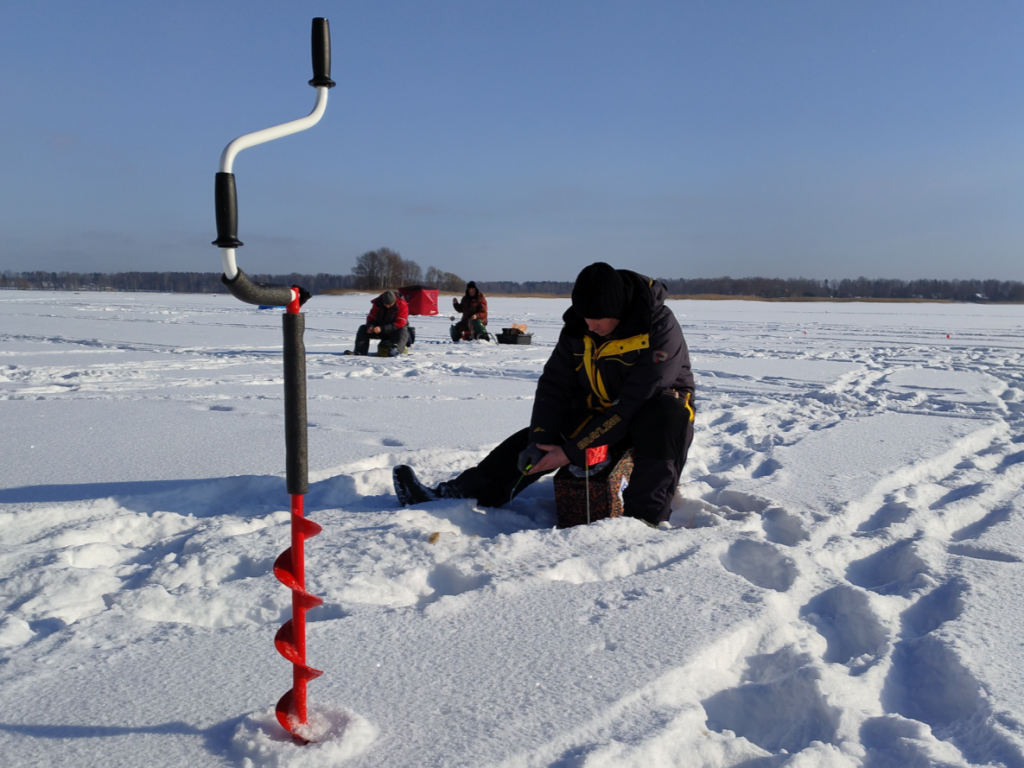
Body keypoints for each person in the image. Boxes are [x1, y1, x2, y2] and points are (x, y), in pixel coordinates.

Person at [394, 262, 695, 527]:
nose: (590, 326)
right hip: (597, 410)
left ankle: (643, 521)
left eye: (597, 320)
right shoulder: (580, 326)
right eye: (585, 318)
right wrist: (540, 439)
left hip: (647, 412)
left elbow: (634, 402)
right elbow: (555, 384)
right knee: (534, 444)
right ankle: (457, 494)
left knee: (665, 416)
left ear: (617, 310)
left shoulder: (658, 326)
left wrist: (571, 452)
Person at [353, 290, 410, 356]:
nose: (388, 306)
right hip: (379, 330)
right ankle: (360, 351)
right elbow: (371, 317)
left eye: (390, 305)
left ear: (394, 301)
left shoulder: (402, 305)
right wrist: (370, 326)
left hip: (394, 331)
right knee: (362, 328)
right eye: (386, 304)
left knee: (403, 331)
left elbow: (400, 323)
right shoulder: (377, 304)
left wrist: (382, 328)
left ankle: (396, 350)